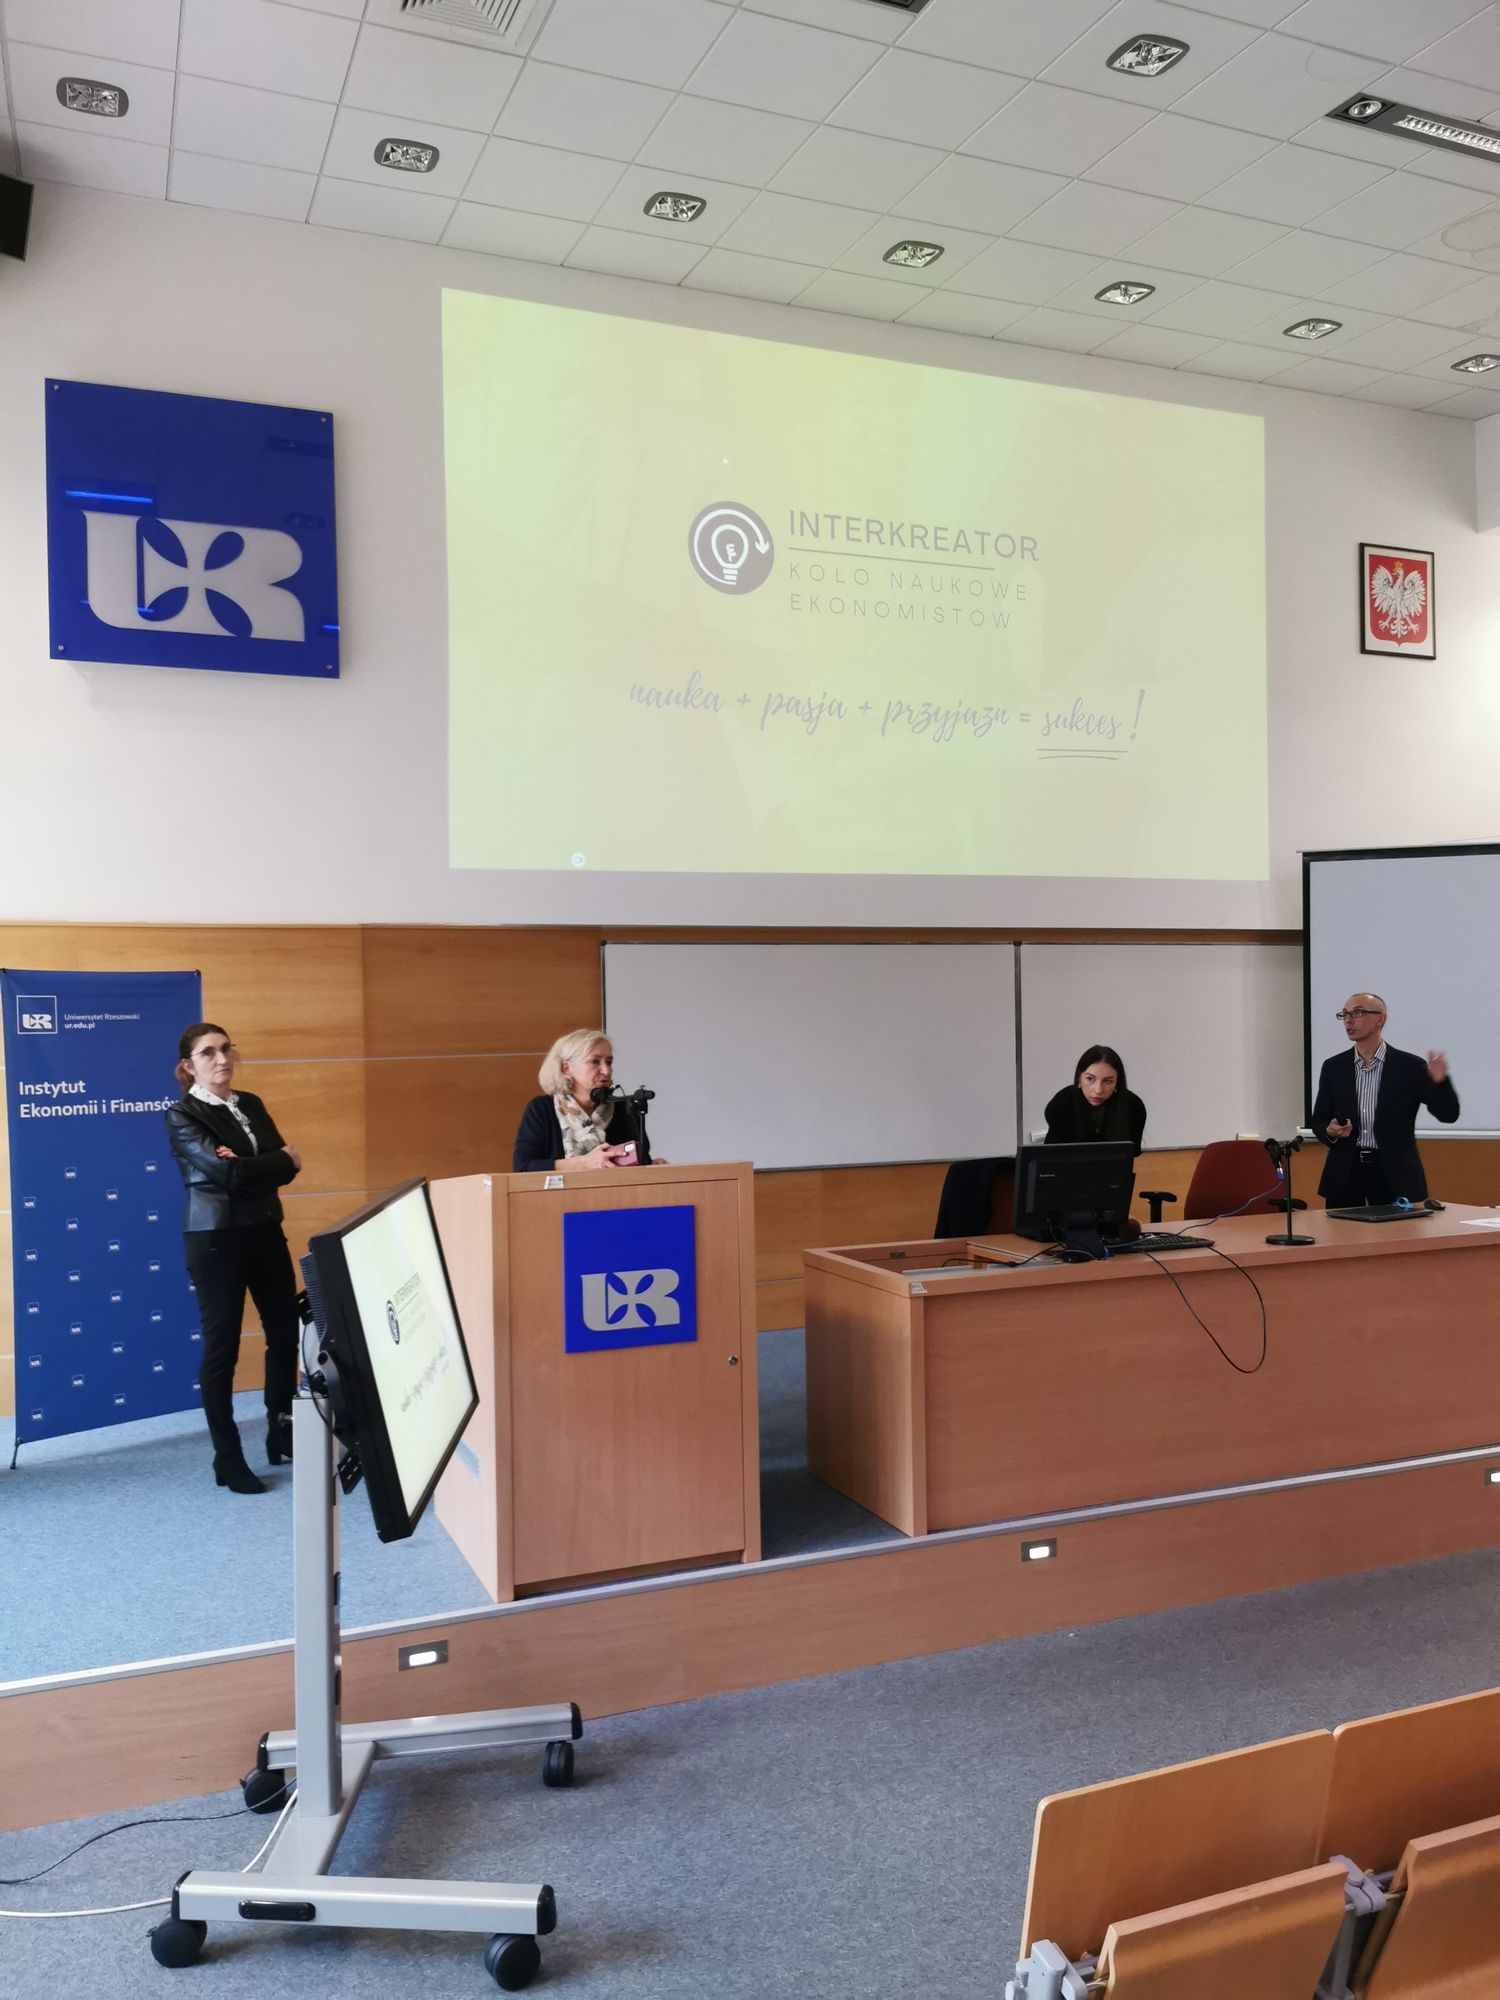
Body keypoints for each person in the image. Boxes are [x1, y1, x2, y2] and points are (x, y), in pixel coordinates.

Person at [164, 1023, 303, 1495]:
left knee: (284, 1331)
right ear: (189, 1066)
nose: (222, 1059)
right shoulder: (182, 1115)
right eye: (209, 1053)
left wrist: (253, 1163)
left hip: (264, 1228)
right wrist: (270, 1161)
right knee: (222, 1346)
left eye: (226, 1049)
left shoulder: (251, 1104)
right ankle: (227, 1455)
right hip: (215, 1239)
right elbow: (231, 1174)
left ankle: (282, 1429)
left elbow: (280, 1168)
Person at [1313, 993, 1458, 1206]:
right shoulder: (1334, 1067)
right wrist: (1330, 1130)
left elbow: (1448, 1115)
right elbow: (1319, 1119)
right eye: (1344, 1014)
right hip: (1345, 1175)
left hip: (1394, 1175)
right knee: (1340, 1227)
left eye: (1357, 1013)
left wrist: (1440, 1083)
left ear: (1380, 1019)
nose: (1348, 1020)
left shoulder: (1410, 1067)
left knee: (1398, 1227)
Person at [513, 1029, 639, 1173]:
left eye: (609, 1062)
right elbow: (523, 1167)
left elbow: (640, 1162)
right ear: (567, 1068)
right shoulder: (542, 1109)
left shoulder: (624, 1108)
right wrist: (584, 1163)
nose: (606, 1071)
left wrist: (652, 1165)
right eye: (595, 1062)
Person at [1043, 1045, 1147, 1154]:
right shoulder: (1061, 1104)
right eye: (1090, 1079)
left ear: (1117, 1082)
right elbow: (1051, 1154)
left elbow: (1131, 1153)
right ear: (1079, 1078)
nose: (1098, 1090)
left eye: (1108, 1081)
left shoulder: (1133, 1106)